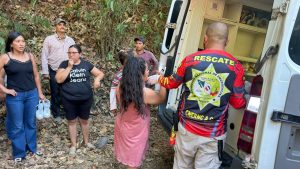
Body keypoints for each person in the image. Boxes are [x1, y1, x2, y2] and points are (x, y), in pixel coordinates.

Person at [148, 22, 246, 169]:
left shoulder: (190, 60)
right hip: (213, 135)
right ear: (227, 41)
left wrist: (159, 79)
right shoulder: (236, 67)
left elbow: (172, 83)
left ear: (205, 39)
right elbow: (238, 103)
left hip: (186, 129)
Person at [114, 56, 166, 169]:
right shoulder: (144, 93)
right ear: (140, 73)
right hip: (137, 131)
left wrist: (146, 80)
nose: (148, 71)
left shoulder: (121, 86)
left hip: (123, 125)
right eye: (147, 69)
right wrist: (162, 80)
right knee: (133, 164)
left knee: (129, 159)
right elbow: (161, 98)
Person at [0, 31, 45, 162]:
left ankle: (32, 149)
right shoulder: (5, 57)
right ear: (11, 44)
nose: (21, 44)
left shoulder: (30, 56)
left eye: (23, 41)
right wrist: (4, 90)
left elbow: (36, 75)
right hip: (15, 97)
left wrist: (40, 93)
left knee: (30, 123)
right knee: (17, 125)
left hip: (31, 94)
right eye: (18, 41)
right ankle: (19, 153)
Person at [55, 44, 104, 155]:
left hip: (85, 98)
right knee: (72, 121)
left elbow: (100, 73)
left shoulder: (86, 64)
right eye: (69, 53)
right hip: (69, 98)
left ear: (80, 54)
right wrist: (69, 67)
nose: (71, 55)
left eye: (74, 53)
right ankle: (73, 145)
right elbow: (58, 79)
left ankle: (86, 142)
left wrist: (97, 80)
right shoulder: (64, 64)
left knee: (84, 121)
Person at [41, 18, 75, 121]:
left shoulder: (71, 40)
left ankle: (67, 111)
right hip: (54, 69)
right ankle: (56, 113)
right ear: (55, 27)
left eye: (64, 25)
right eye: (59, 24)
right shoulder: (49, 39)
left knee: (67, 91)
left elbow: (74, 54)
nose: (62, 26)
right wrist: (45, 72)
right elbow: (44, 56)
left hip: (67, 69)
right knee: (55, 92)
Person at [109, 49, 132, 115]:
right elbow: (113, 88)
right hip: (125, 101)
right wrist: (113, 106)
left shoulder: (137, 71)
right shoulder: (120, 74)